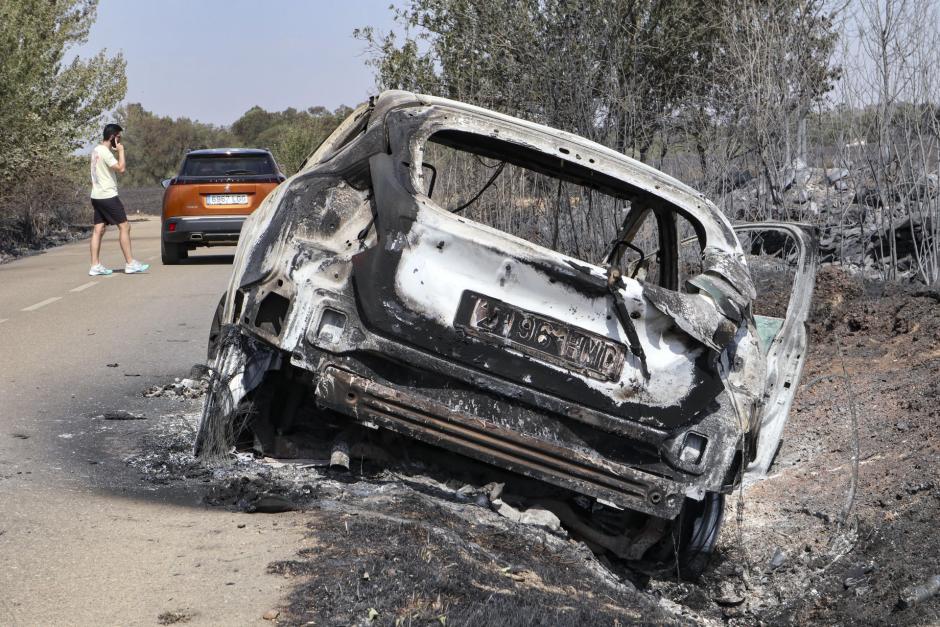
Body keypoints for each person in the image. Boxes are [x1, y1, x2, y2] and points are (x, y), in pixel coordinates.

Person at [88, 123, 149, 276]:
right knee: (125, 227)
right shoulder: (106, 153)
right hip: (108, 196)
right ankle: (130, 263)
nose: (119, 140)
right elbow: (121, 168)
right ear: (112, 137)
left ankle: (95, 265)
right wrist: (121, 151)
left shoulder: (96, 150)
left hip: (96, 196)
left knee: (98, 229)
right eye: (118, 137)